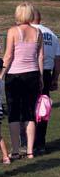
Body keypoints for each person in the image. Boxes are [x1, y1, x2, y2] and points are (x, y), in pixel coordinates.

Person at [2, 2, 44, 160]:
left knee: (14, 113)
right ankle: (30, 151)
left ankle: (15, 149)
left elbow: (8, 56)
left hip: (15, 76)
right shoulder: (38, 32)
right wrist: (40, 77)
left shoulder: (13, 31)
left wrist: (0, 75)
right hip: (32, 75)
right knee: (29, 113)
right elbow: (40, 56)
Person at [31, 9, 60, 154]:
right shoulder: (52, 35)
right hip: (47, 73)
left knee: (28, 108)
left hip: (31, 72)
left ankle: (28, 144)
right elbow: (57, 59)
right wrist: (55, 78)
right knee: (43, 109)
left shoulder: (29, 31)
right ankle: (41, 144)